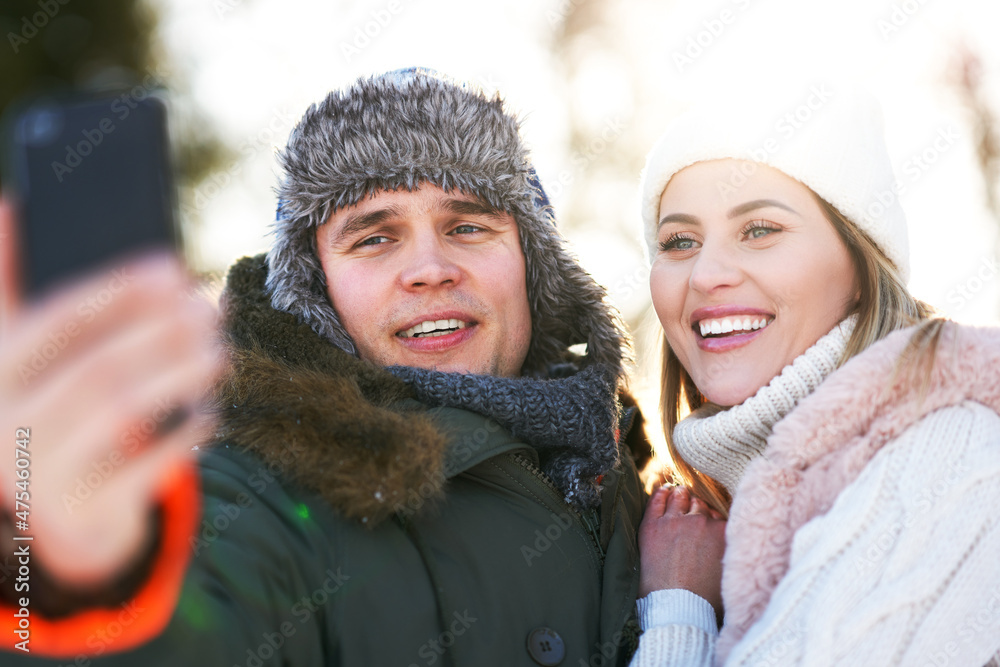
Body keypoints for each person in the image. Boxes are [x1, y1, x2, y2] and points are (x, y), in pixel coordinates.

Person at [0, 69, 650, 665]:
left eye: (469, 226)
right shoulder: (257, 501)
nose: (430, 268)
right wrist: (77, 572)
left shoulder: (631, 478)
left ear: (534, 269)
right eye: (374, 237)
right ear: (316, 294)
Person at [627, 85, 1000, 666]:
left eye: (759, 229)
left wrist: (679, 614)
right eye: (680, 241)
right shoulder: (706, 515)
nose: (706, 273)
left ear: (860, 264)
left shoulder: (950, 457)